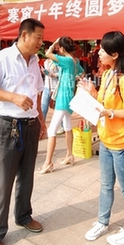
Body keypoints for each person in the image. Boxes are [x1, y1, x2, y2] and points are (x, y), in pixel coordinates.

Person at [0, 19, 47, 245]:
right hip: (7, 126)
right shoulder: (3, 58)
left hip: (30, 125)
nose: (41, 42)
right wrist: (13, 98)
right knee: (3, 181)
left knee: (27, 175)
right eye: (38, 37)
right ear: (25, 35)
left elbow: (38, 92)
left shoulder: (35, 62)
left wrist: (41, 119)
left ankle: (24, 216)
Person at [77, 30, 124, 245]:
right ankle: (103, 222)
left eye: (103, 50)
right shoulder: (106, 75)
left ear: (114, 55)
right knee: (105, 186)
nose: (99, 52)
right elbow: (102, 104)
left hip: (122, 144)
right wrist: (92, 92)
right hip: (106, 141)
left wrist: (109, 113)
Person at [38, 36, 84, 174]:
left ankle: (48, 163)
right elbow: (81, 73)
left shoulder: (65, 60)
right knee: (68, 126)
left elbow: (47, 54)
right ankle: (69, 155)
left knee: (52, 130)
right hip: (70, 97)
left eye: (59, 48)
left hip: (63, 98)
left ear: (62, 48)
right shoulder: (75, 61)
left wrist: (53, 44)